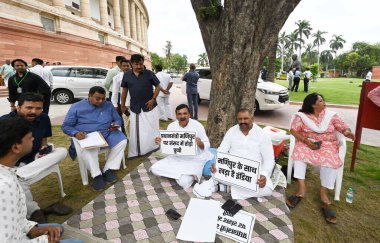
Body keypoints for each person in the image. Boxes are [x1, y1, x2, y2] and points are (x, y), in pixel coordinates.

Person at [0, 117, 83, 243]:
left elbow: (15, 219)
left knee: (58, 229)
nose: (34, 139)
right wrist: (44, 240)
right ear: (16, 147)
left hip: (17, 230)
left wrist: (32, 229)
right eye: (29, 137)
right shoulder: (5, 186)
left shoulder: (8, 172)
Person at [0, 92, 71, 223]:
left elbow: (44, 138)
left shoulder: (43, 118)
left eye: (38, 108)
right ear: (18, 107)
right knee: (19, 180)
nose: (34, 111)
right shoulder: (5, 122)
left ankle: (20, 175)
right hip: (12, 165)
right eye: (29, 107)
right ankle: (35, 211)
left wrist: (42, 149)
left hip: (35, 159)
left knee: (61, 151)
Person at [286, 93, 355, 224]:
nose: (324, 102)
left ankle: (323, 193)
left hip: (327, 144)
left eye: (323, 100)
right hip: (308, 142)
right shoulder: (302, 116)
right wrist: (306, 141)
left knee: (331, 160)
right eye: (321, 101)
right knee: (299, 153)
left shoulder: (330, 115)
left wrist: (347, 132)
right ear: (313, 104)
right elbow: (294, 130)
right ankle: (301, 189)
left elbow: (341, 126)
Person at [193, 108, 275, 200]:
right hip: (232, 171)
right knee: (215, 172)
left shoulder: (262, 135)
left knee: (267, 190)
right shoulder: (232, 131)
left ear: (252, 119)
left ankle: (224, 188)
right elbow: (221, 151)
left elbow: (269, 159)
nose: (242, 121)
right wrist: (216, 163)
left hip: (251, 173)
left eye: (246, 118)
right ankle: (228, 186)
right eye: (240, 119)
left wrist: (263, 175)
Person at [62, 86, 127, 191]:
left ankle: (108, 169)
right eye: (97, 98)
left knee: (122, 141)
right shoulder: (76, 107)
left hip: (107, 133)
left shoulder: (108, 105)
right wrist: (75, 133)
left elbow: (118, 118)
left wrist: (116, 124)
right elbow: (66, 126)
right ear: (89, 96)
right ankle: (97, 175)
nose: (101, 101)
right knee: (91, 148)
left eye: (103, 98)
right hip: (88, 136)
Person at [150, 104, 213, 189]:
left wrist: (200, 143)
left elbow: (207, 144)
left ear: (189, 115)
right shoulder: (171, 126)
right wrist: (161, 142)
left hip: (194, 159)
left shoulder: (197, 125)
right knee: (154, 169)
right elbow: (169, 145)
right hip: (176, 158)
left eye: (185, 113)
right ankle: (183, 174)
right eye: (179, 114)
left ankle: (181, 174)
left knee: (184, 182)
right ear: (176, 116)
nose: (182, 116)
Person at [120, 54, 162, 158]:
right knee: (137, 131)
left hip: (150, 106)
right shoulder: (126, 75)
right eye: (136, 64)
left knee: (151, 129)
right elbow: (124, 91)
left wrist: (153, 99)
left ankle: (152, 147)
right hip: (135, 107)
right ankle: (138, 151)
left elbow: (158, 87)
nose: (139, 66)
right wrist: (122, 105)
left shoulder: (149, 73)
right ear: (131, 64)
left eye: (141, 64)